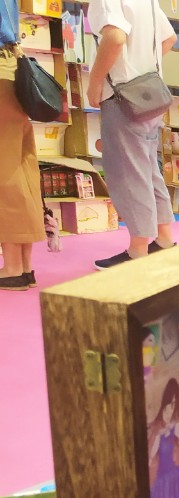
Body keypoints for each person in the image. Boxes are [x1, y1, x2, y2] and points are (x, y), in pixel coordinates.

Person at [87, 0, 179, 270]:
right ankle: (164, 238)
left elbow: (115, 37)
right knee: (148, 168)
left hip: (123, 96)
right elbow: (169, 38)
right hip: (150, 92)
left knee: (128, 173)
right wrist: (142, 69)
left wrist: (95, 82)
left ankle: (138, 248)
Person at [0, 0, 45, 292]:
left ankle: (13, 267)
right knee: (22, 167)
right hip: (14, 69)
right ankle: (24, 266)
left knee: (5, 173)